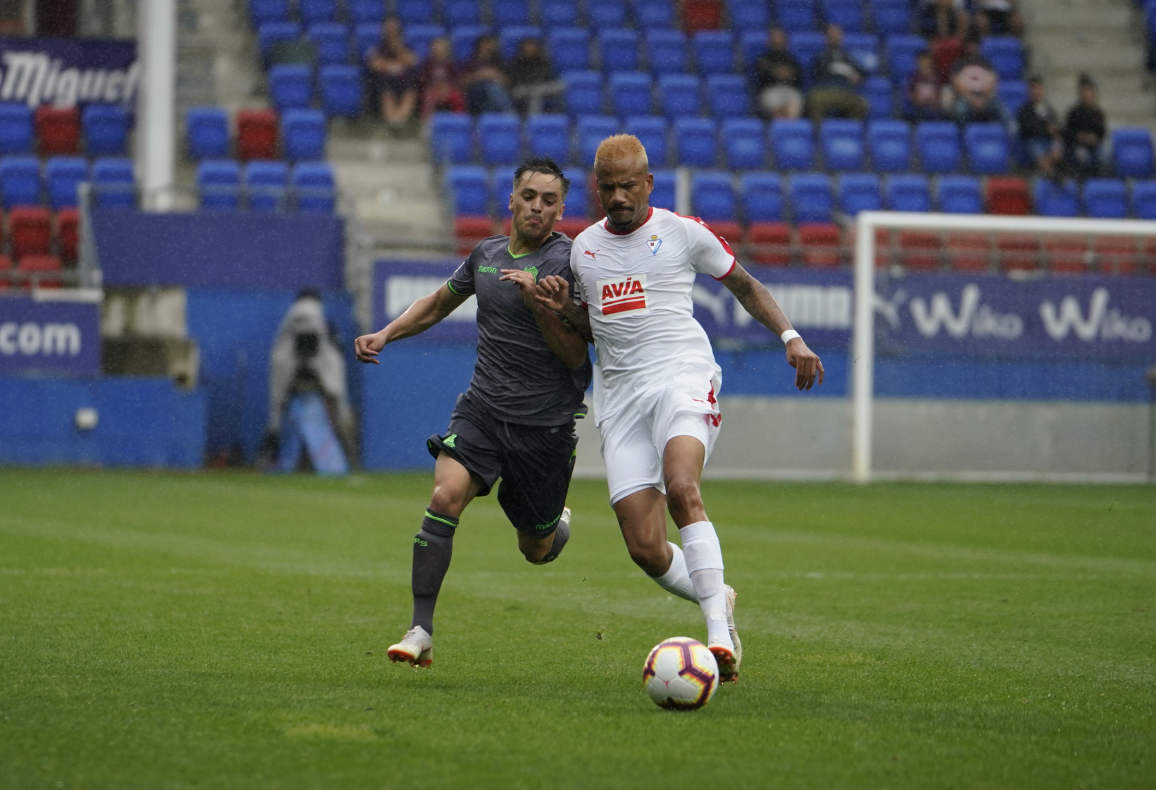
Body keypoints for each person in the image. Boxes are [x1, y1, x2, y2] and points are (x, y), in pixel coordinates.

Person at [528, 134, 823, 683]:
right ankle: (720, 596)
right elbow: (595, 331)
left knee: (683, 486)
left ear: (648, 184)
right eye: (608, 188)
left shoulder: (681, 233)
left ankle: (716, 636)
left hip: (682, 376)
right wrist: (561, 311)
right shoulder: (582, 251)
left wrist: (790, 336)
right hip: (620, 397)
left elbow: (743, 283)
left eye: (628, 187)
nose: (618, 197)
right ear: (597, 189)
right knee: (644, 547)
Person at [353, 157, 591, 668]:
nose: (537, 207)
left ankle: (557, 528)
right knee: (444, 495)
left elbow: (576, 356)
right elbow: (439, 303)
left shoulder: (570, 264)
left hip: (544, 426)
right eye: (529, 196)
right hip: (482, 410)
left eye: (549, 201)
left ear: (561, 210)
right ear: (512, 199)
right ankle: (420, 630)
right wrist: (386, 333)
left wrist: (540, 306)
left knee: (536, 547)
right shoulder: (485, 254)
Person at [263, 287, 355, 474]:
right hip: (304, 372)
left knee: (278, 415)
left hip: (297, 373)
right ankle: (347, 455)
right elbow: (308, 341)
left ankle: (272, 453)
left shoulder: (293, 318)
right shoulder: (309, 309)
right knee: (336, 412)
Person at [366, 16, 419, 131]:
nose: (391, 31)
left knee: (410, 92)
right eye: (388, 29)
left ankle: (399, 121)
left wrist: (398, 48)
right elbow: (375, 65)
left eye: (394, 29)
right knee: (386, 92)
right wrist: (395, 65)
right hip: (385, 81)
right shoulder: (378, 47)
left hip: (404, 80)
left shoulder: (406, 46)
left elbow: (412, 61)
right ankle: (393, 122)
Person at [806, 23, 868, 121]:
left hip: (845, 91)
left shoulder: (847, 56)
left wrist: (858, 76)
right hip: (825, 91)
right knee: (814, 100)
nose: (834, 37)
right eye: (831, 35)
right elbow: (816, 72)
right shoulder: (821, 56)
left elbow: (863, 72)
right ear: (826, 38)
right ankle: (818, 133)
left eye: (837, 34)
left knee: (861, 104)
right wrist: (839, 69)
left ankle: (849, 132)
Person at [948, 36, 1008, 126]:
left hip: (985, 98)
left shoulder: (986, 63)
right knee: (960, 110)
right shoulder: (960, 63)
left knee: (1003, 111)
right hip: (966, 98)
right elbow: (956, 84)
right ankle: (963, 136)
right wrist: (971, 99)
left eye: (975, 46)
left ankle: (1013, 137)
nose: (972, 48)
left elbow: (993, 82)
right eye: (970, 46)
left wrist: (983, 99)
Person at [753, 26, 804, 120]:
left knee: (796, 100)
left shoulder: (791, 59)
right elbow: (759, 78)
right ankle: (778, 126)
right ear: (769, 41)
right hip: (770, 90)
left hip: (789, 90)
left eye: (779, 38)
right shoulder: (763, 59)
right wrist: (775, 73)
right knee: (772, 100)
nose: (776, 41)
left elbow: (799, 78)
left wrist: (788, 75)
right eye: (774, 38)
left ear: (784, 40)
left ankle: (788, 129)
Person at [1015, 74, 1062, 176]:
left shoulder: (1049, 110)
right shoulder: (1024, 110)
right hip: (1032, 141)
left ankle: (1051, 171)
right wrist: (1045, 129)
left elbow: (1055, 128)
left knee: (1057, 144)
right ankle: (1051, 174)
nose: (1036, 92)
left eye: (1039, 88)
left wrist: (1055, 140)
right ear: (1029, 91)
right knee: (1035, 146)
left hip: (1048, 141)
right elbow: (1027, 129)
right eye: (1034, 89)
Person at [506, 36, 564, 117]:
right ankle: (533, 119)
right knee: (535, 92)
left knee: (561, 85)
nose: (530, 49)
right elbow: (515, 81)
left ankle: (560, 114)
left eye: (532, 47)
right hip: (521, 89)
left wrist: (538, 84)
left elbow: (549, 78)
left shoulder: (543, 62)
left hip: (540, 87)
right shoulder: (516, 63)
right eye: (527, 47)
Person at [1063, 73, 1107, 177]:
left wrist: (1095, 139)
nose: (1087, 94)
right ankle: (1083, 185)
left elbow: (1102, 132)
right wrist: (1080, 137)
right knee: (1083, 157)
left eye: (1089, 91)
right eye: (1084, 91)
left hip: (1094, 146)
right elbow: (1067, 133)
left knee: (1104, 156)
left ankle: (1099, 183)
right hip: (1077, 146)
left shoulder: (1098, 113)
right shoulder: (1074, 112)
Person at [460, 33, 514, 115]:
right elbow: (462, 83)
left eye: (490, 46)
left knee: (494, 89)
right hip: (475, 93)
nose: (488, 48)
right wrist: (480, 75)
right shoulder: (470, 63)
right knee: (492, 88)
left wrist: (495, 76)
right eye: (485, 45)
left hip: (495, 95)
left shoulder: (500, 63)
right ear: (479, 46)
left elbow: (508, 83)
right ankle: (509, 115)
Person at [418, 35, 465, 119]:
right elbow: (423, 80)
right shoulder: (427, 64)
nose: (438, 51)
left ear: (447, 50)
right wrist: (433, 87)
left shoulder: (453, 65)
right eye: (435, 48)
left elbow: (458, 80)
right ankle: (426, 123)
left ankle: (459, 120)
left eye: (441, 49)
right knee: (428, 96)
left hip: (450, 90)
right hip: (432, 90)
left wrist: (449, 88)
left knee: (457, 96)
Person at [905, 50, 946, 120]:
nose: (925, 64)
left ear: (931, 62)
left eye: (927, 61)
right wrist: (917, 100)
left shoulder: (936, 76)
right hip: (916, 107)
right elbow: (909, 93)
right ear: (918, 62)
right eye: (922, 62)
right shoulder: (913, 76)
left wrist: (934, 101)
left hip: (933, 108)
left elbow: (940, 93)